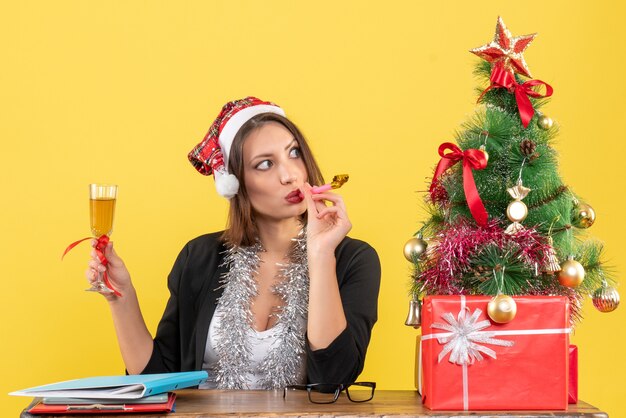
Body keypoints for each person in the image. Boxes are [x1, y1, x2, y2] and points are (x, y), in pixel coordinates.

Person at [86, 97, 381, 389]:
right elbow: (156, 378)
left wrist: (321, 253)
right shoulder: (199, 257)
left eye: (294, 153)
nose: (289, 175)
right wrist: (120, 296)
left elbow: (334, 380)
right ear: (236, 182)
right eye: (265, 164)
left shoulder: (353, 259)